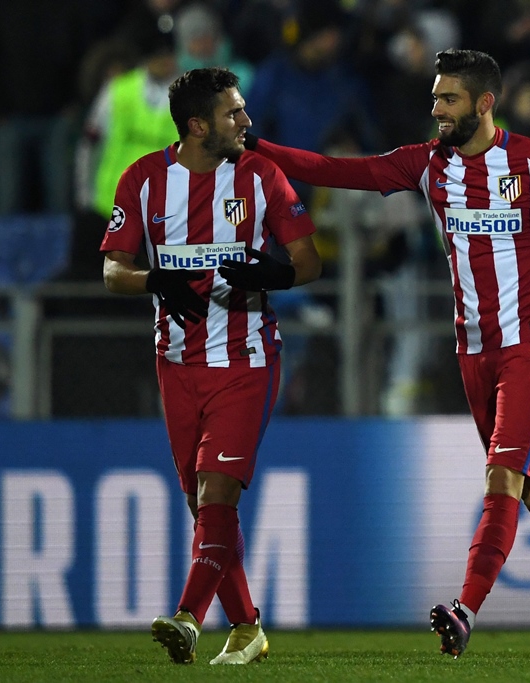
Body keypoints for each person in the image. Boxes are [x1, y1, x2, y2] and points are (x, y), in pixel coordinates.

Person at [244, 48, 530, 661]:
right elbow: (335, 170)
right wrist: (257, 149)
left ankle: (465, 608)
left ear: (484, 103)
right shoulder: (426, 165)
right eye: (434, 98)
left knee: (504, 474)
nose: (436, 109)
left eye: (447, 99)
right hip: (473, 351)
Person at [100, 66, 322, 665]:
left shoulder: (262, 176)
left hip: (247, 359)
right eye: (233, 114)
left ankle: (188, 618)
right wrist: (155, 280)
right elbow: (112, 271)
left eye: (244, 110)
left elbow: (308, 260)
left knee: (217, 492)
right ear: (198, 126)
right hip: (175, 363)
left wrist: (271, 273)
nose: (246, 123)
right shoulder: (144, 180)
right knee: (205, 510)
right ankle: (248, 627)